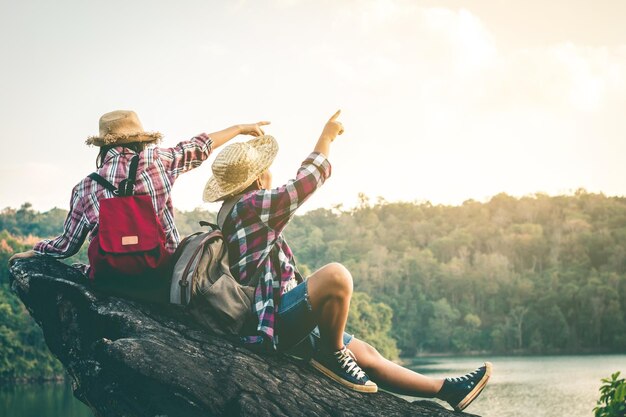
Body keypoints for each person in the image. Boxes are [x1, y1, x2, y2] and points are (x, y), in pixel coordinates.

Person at [202, 110, 492, 412]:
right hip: (271, 322)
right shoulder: (249, 206)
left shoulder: (232, 211)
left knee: (367, 353)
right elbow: (305, 184)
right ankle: (332, 353)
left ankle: (448, 390)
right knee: (336, 276)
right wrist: (326, 137)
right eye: (266, 169)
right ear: (259, 177)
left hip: (278, 311)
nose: (270, 173)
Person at [8, 110, 270, 274]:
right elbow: (200, 147)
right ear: (140, 140)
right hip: (161, 272)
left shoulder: (85, 186)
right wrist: (239, 128)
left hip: (110, 278)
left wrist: (35, 251)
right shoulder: (159, 161)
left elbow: (66, 245)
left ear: (103, 146)